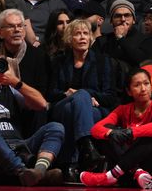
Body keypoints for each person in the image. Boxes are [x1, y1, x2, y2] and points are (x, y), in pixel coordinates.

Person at [0, 14, 64, 186]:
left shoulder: (9, 87)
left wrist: (15, 82)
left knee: (55, 127)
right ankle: (22, 172)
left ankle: (38, 171)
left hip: (19, 145)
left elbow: (41, 104)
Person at [81, 68, 152, 189]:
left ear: (151, 86)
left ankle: (110, 175)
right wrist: (111, 133)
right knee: (108, 132)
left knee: (150, 135)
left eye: (146, 83)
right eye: (137, 85)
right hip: (128, 174)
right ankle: (136, 170)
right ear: (129, 91)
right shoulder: (123, 109)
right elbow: (96, 129)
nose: (143, 89)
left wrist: (131, 132)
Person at [48, 19, 116, 172]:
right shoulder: (58, 61)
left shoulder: (103, 61)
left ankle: (70, 165)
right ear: (69, 39)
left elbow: (110, 96)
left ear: (91, 38)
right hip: (63, 103)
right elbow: (50, 93)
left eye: (86, 33)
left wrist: (85, 96)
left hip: (94, 108)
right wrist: (66, 93)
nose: (82, 37)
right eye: (77, 34)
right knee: (74, 102)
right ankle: (87, 145)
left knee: (78, 101)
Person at [94, 0, 152, 69]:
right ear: (111, 21)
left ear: (134, 20)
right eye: (118, 16)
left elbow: (144, 63)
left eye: (127, 15)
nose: (123, 19)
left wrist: (121, 39)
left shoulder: (147, 40)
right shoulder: (102, 41)